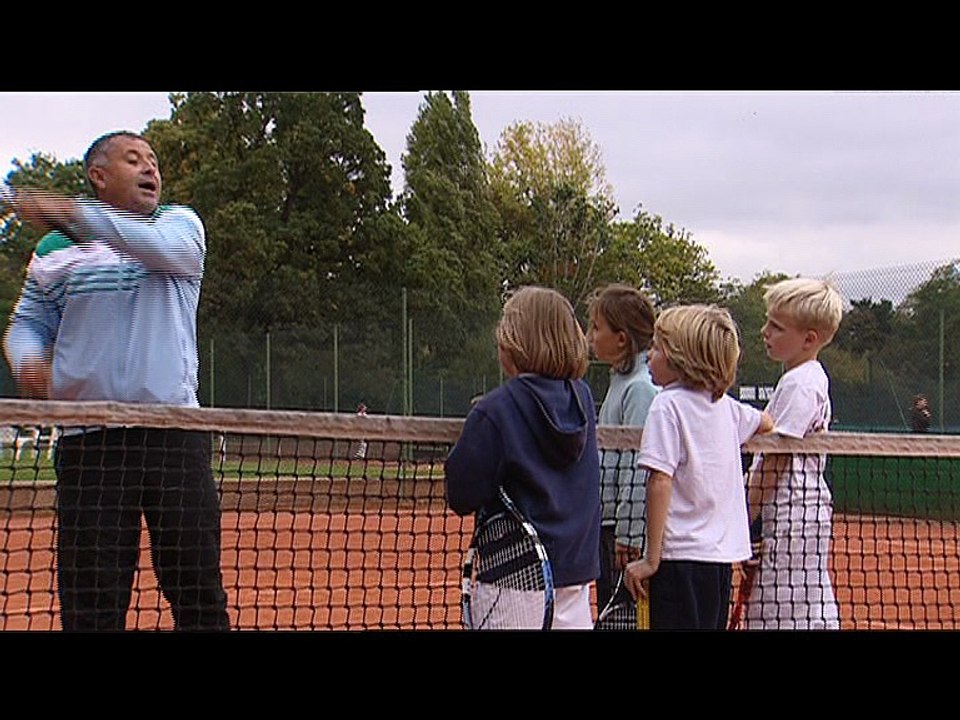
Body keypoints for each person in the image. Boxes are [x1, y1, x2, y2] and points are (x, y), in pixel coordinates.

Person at [3, 131, 230, 631]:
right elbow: (27, 324)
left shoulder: (177, 226)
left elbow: (152, 246)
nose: (151, 168)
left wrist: (74, 212)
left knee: (198, 595)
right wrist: (26, 362)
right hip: (90, 442)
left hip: (174, 439)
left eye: (153, 160)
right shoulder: (53, 250)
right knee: (91, 604)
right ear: (98, 175)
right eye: (134, 159)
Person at [445, 286, 601, 629]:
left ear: (513, 342)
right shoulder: (583, 398)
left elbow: (460, 493)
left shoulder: (495, 411)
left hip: (512, 582)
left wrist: (479, 425)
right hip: (575, 580)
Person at [624, 304, 774, 630]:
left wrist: (652, 558)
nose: (649, 355)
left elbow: (659, 480)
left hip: (678, 560)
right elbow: (766, 422)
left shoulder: (666, 405)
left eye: (658, 348)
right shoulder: (727, 408)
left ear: (682, 361)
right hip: (718, 565)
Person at [742, 277, 844, 630]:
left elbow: (777, 458)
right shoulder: (800, 379)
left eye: (776, 326)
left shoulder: (802, 383)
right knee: (803, 605)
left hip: (793, 518)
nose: (764, 331)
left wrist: (744, 515)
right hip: (792, 516)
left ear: (809, 339)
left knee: (780, 613)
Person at [586, 284, 659, 616]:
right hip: (610, 524)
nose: (590, 335)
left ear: (621, 339)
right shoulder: (621, 383)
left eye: (596, 327)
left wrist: (629, 533)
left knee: (628, 616)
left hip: (624, 530)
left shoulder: (640, 389)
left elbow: (638, 466)